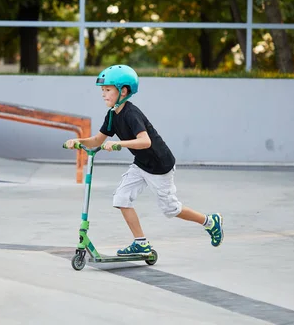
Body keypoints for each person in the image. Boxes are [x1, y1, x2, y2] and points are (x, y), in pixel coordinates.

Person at [64, 64, 223, 256]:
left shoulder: (131, 113)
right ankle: (141, 243)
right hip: (141, 164)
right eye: (102, 90)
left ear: (123, 91)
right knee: (121, 199)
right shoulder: (112, 115)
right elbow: (97, 140)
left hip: (159, 165)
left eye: (107, 90)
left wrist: (118, 145)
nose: (103, 94)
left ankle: (209, 221)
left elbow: (145, 141)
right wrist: (77, 141)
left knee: (171, 209)